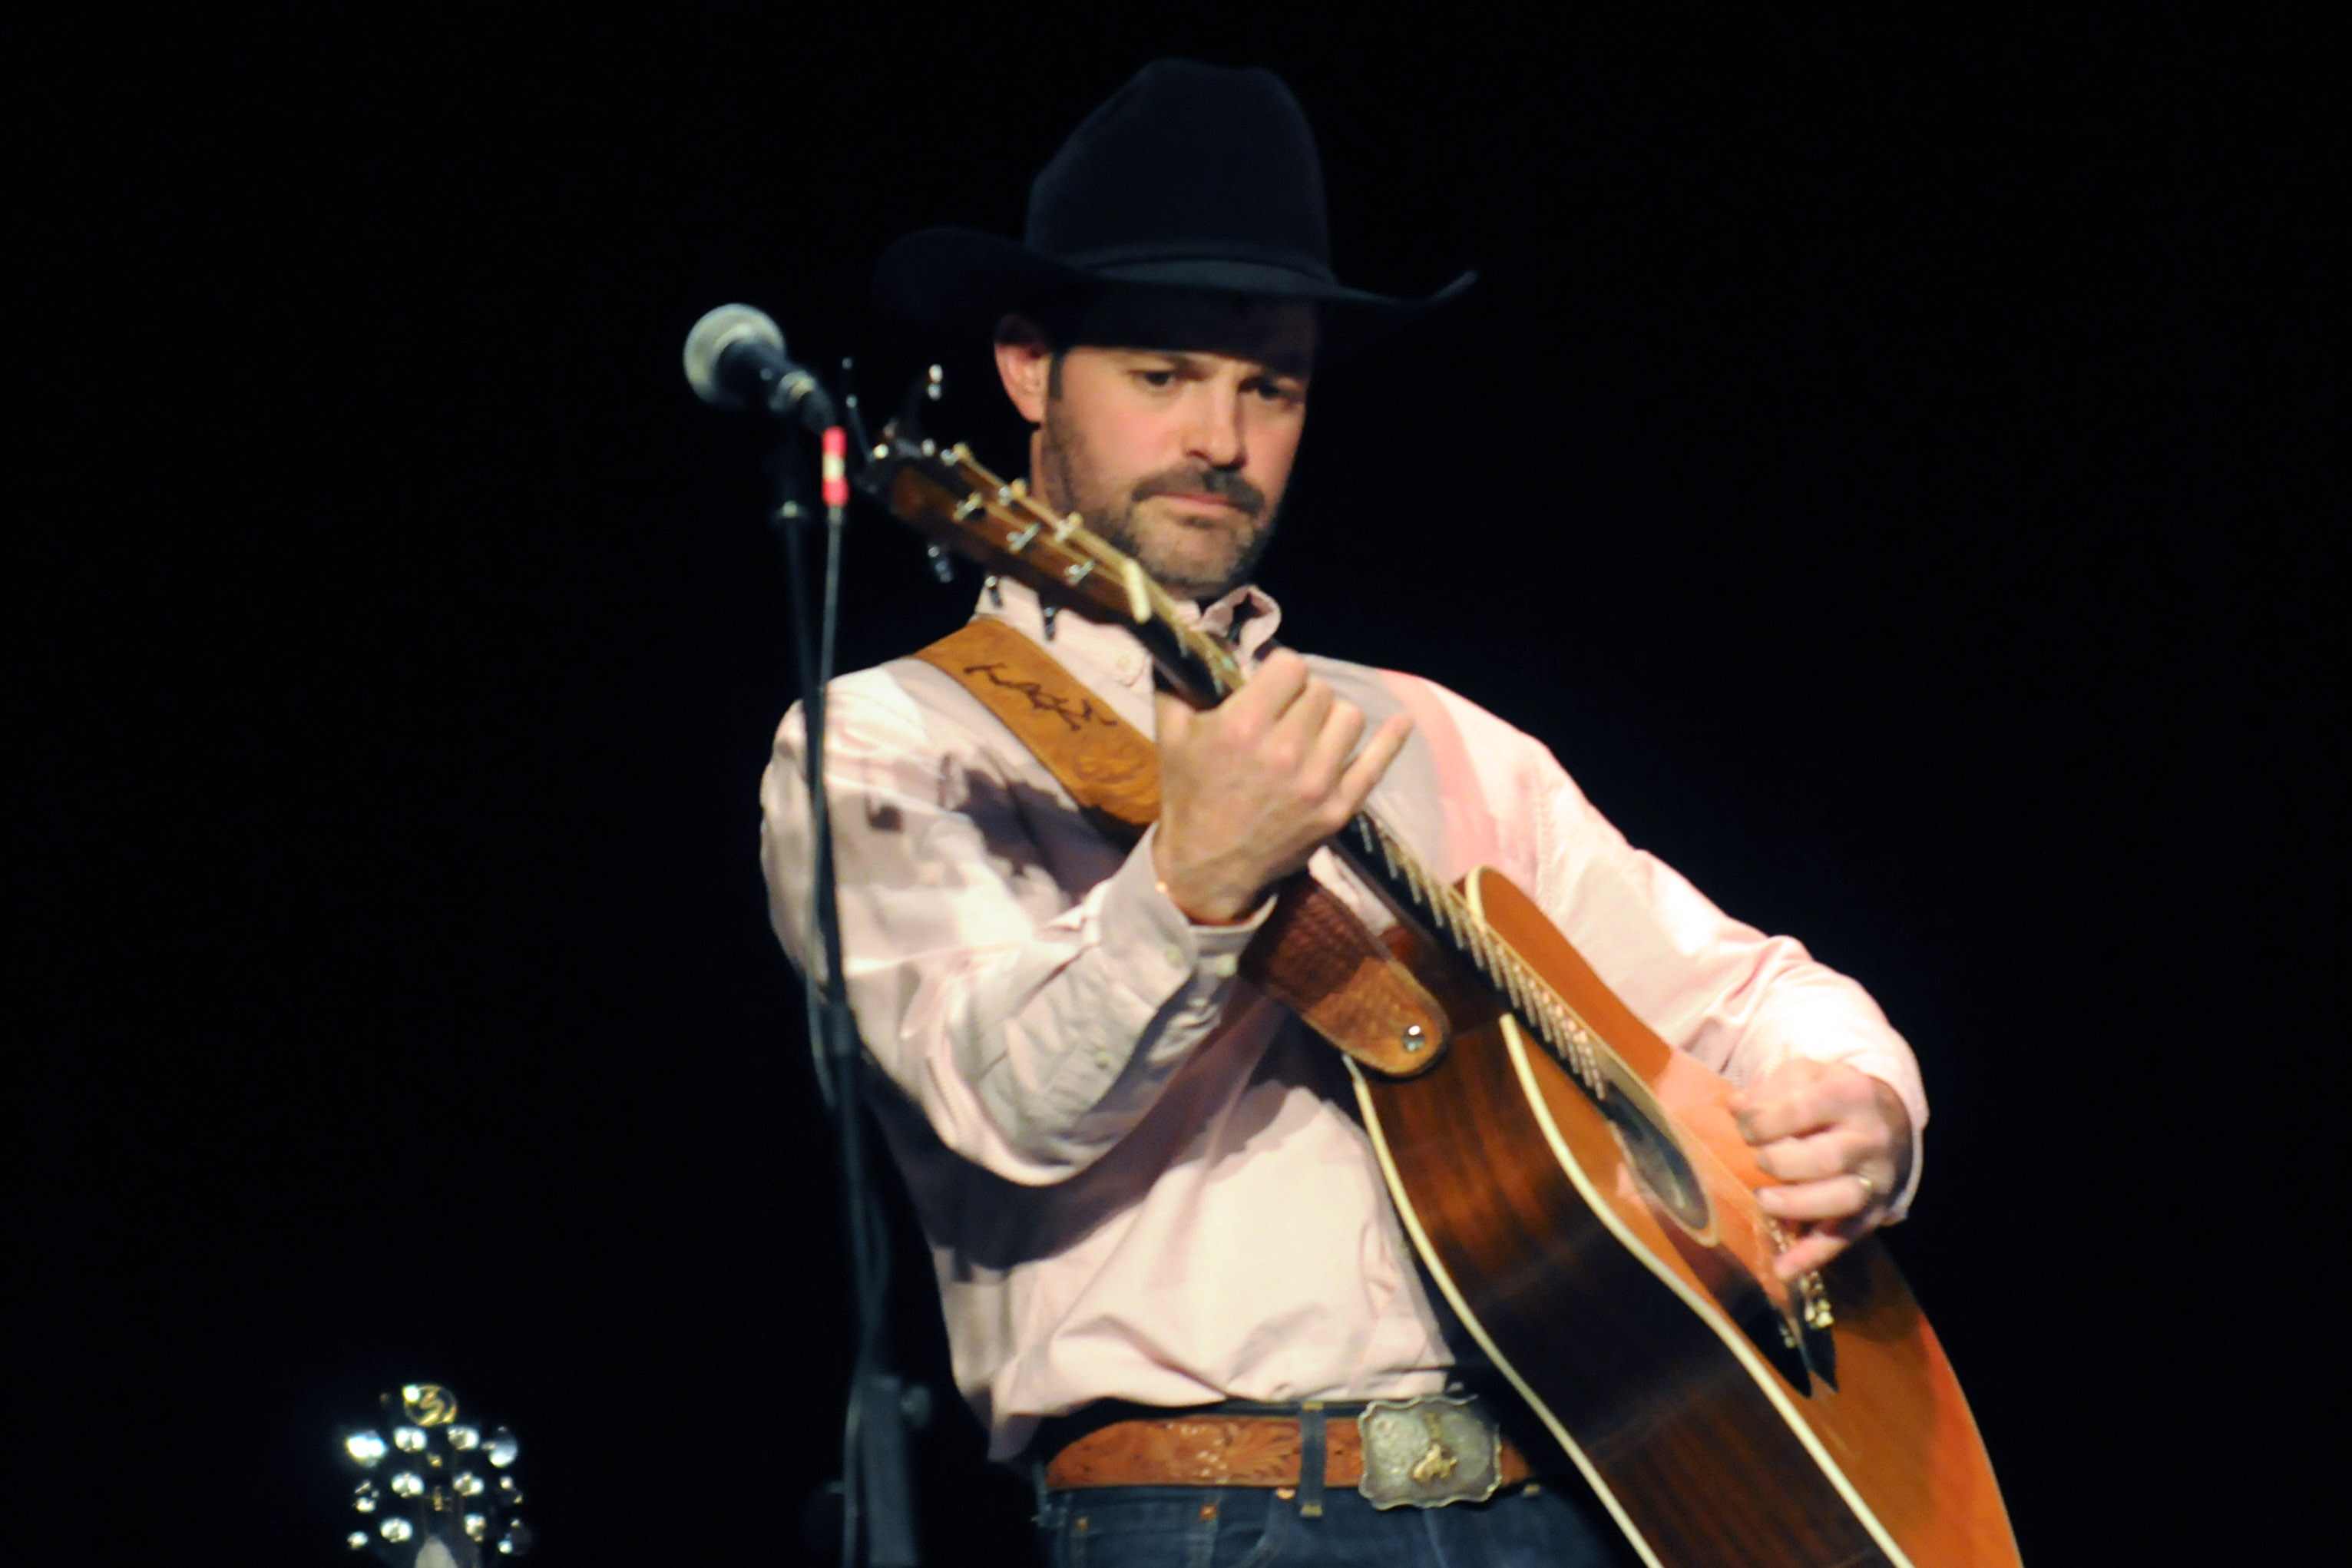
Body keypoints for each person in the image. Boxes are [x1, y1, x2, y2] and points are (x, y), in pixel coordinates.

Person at [763, 59, 1924, 1568]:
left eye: (1271, 385)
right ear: (1027, 367)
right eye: (1162, 374)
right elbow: (1001, 1113)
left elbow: (1749, 992)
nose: (1220, 441)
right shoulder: (888, 742)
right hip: (1203, 1517)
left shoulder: (1425, 733)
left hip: (1569, 1501)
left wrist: (1864, 1107)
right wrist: (1191, 883)